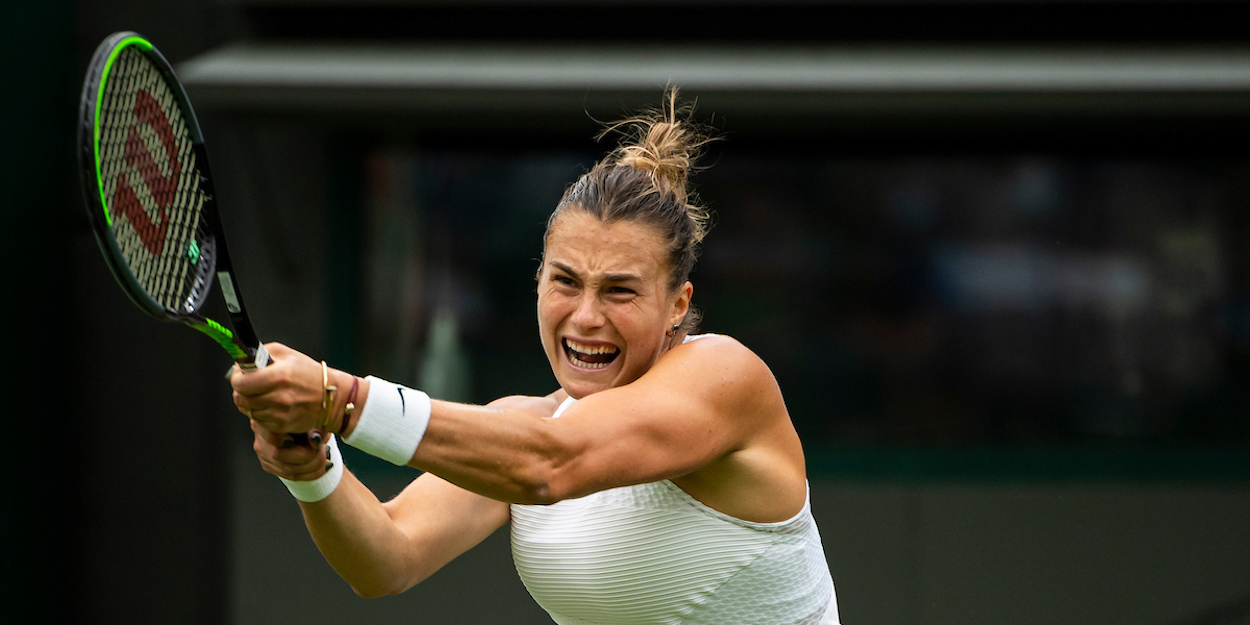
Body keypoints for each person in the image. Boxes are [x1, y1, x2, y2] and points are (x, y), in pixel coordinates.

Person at [231, 89, 839, 625]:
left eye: (620, 290)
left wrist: (338, 399)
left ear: (678, 304)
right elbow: (387, 558)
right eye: (565, 282)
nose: (585, 317)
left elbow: (550, 467)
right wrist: (311, 468)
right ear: (538, 280)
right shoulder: (524, 428)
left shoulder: (724, 375)